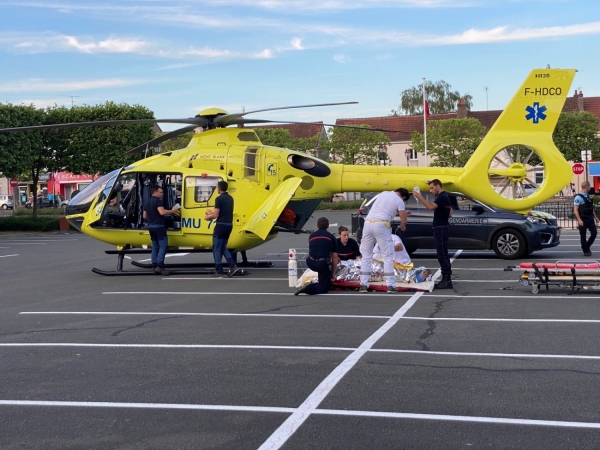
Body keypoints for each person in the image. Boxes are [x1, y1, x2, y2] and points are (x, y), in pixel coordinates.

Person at [358, 188, 410, 294]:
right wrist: (403, 225)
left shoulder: (383, 193)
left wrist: (401, 213)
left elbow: (385, 210)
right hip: (381, 225)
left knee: (366, 256)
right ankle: (390, 285)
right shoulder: (399, 201)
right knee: (388, 256)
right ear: (403, 197)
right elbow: (403, 220)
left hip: (368, 223)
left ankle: (363, 284)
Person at [412, 179, 453, 289]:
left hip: (441, 229)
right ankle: (445, 278)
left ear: (438, 186)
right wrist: (445, 217)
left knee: (442, 254)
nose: (430, 191)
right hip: (441, 227)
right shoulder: (443, 198)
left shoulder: (442, 197)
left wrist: (420, 197)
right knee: (442, 253)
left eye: (432, 188)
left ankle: (447, 279)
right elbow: (450, 210)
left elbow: (430, 207)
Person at [295, 217, 339, 295]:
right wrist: (333, 272)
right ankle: (309, 288)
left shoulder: (312, 236)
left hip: (310, 261)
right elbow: (334, 256)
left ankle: (316, 284)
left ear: (317, 225)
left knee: (322, 272)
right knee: (325, 288)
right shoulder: (331, 237)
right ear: (328, 226)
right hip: (321, 264)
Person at [143, 185, 181, 275]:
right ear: (155, 192)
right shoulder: (158, 202)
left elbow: (144, 216)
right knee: (163, 246)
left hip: (150, 226)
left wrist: (151, 219)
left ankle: (154, 265)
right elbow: (162, 212)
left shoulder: (147, 202)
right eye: (160, 192)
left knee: (155, 246)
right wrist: (173, 210)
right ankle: (160, 266)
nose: (162, 194)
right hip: (159, 226)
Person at [205, 180, 239, 278]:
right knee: (223, 246)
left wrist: (208, 217)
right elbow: (222, 211)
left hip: (220, 226)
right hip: (229, 225)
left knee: (216, 248)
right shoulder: (230, 198)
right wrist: (212, 212)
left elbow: (216, 215)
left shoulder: (218, 199)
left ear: (219, 189)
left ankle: (219, 270)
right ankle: (232, 266)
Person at [573, 180, 599, 257]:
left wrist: (596, 218)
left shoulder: (587, 196)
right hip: (583, 218)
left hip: (590, 217)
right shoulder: (578, 197)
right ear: (586, 187)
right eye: (589, 186)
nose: (590, 187)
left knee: (594, 233)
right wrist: (579, 220)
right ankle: (586, 250)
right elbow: (575, 209)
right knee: (583, 235)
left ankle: (586, 246)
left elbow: (591, 208)